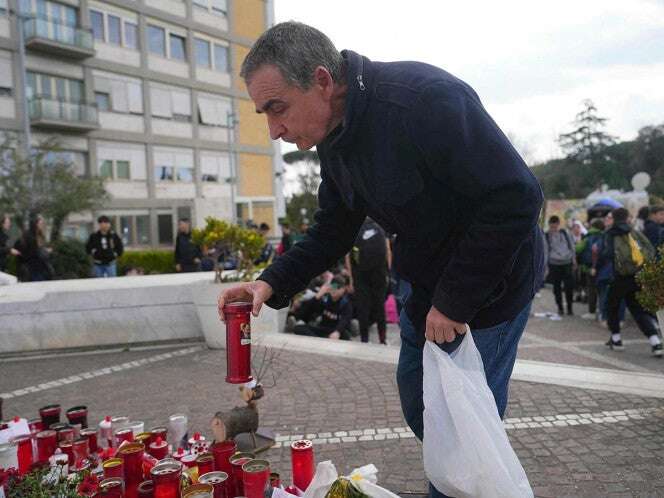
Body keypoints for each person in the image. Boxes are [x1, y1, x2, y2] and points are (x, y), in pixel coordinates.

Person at [217, 22, 544, 498]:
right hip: (422, 286)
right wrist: (269, 283)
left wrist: (455, 303)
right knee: (421, 405)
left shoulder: (424, 101)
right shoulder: (333, 136)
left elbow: (516, 197)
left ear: (323, 81)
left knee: (461, 430)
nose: (273, 130)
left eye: (278, 108)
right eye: (264, 114)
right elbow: (333, 226)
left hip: (488, 288)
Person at [597, 207, 662, 356]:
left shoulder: (610, 233)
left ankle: (616, 339)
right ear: (626, 217)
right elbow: (650, 250)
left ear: (614, 217)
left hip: (618, 278)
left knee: (612, 307)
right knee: (638, 309)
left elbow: (606, 254)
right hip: (636, 276)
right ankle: (655, 342)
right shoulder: (634, 232)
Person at [345, 217, 390, 344]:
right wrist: (388, 271)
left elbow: (348, 255)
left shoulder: (354, 227)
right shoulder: (380, 225)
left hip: (359, 273)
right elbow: (387, 250)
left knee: (362, 307)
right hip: (379, 272)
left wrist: (351, 277)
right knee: (380, 306)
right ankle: (383, 339)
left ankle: (364, 339)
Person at [291, 274, 353, 340]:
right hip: (322, 328)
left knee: (345, 335)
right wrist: (317, 296)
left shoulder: (345, 303)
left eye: (338, 287)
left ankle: (320, 339)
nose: (334, 290)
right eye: (333, 286)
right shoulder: (325, 299)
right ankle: (318, 340)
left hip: (335, 331)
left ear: (343, 289)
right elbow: (304, 313)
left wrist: (337, 332)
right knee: (298, 328)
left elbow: (344, 321)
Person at [545, 215, 576, 315]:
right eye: (552, 226)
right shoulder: (546, 235)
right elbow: (545, 251)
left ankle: (570, 307)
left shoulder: (565, 233)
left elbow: (572, 246)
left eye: (555, 226)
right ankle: (560, 308)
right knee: (556, 287)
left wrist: (574, 260)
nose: (553, 228)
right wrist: (546, 266)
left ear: (558, 224)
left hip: (567, 262)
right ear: (549, 225)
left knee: (569, 287)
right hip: (554, 263)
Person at [577, 218, 605, 319]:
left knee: (592, 290)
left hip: (589, 268)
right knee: (602, 291)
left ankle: (591, 312)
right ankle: (602, 312)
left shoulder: (588, 237)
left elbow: (578, 249)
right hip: (602, 267)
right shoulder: (605, 236)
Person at [14, 215, 53, 282]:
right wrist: (45, 251)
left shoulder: (40, 235)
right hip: (32, 266)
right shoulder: (29, 236)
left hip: (41, 266)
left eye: (42, 223)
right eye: (40, 223)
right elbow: (30, 251)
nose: (42, 225)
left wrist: (45, 250)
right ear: (35, 224)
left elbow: (40, 248)